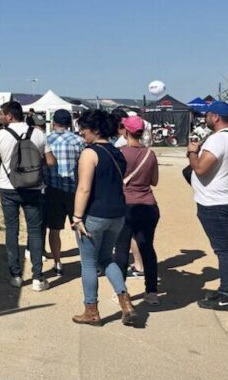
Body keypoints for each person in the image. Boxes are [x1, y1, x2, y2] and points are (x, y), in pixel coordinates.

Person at [70, 109, 136, 326]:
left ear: (95, 130)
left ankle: (91, 310)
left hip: (94, 214)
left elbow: (84, 188)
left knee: (88, 263)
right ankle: (125, 301)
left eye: (84, 129)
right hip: (117, 214)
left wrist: (77, 217)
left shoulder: (90, 153)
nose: (81, 133)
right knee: (107, 258)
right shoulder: (118, 152)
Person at [0, 101, 56, 291]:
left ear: (9, 116)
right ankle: (38, 278)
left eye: (1, 114)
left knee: (12, 229)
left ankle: (16, 275)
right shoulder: (38, 134)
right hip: (33, 187)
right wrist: (35, 165)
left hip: (8, 188)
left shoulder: (0, 135)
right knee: (35, 230)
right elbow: (51, 162)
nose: (0, 117)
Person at [186, 100, 228, 311]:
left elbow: (201, 168)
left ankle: (227, 297)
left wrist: (192, 152)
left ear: (216, 117)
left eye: (208, 114)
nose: (205, 118)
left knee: (224, 250)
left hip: (215, 202)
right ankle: (227, 290)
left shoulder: (218, 139)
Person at [113, 116, 161, 305]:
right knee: (147, 247)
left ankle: (121, 292)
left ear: (126, 131)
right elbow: (154, 181)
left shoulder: (119, 153)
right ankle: (152, 292)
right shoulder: (150, 154)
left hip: (124, 204)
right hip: (148, 204)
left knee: (121, 249)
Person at [44, 109, 84, 277]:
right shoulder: (78, 141)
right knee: (80, 227)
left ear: (54, 122)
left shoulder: (46, 140)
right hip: (74, 190)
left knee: (54, 229)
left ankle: (57, 263)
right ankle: (87, 262)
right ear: (69, 123)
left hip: (52, 189)